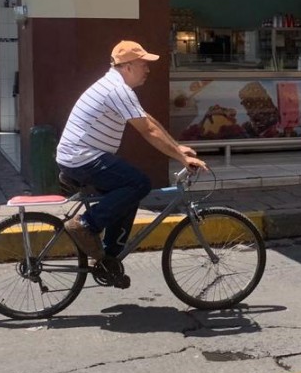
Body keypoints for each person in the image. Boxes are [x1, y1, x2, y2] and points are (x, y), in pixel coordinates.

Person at [56, 40, 206, 277]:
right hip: (82, 158)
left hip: (80, 156)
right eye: (143, 64)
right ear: (127, 67)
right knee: (139, 183)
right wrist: (181, 158)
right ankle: (86, 224)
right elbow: (148, 131)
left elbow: (147, 119)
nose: (147, 69)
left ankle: (109, 259)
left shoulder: (115, 87)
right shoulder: (117, 90)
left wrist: (177, 147)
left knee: (128, 193)